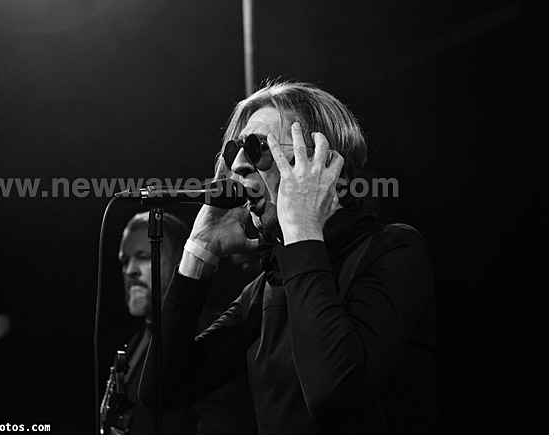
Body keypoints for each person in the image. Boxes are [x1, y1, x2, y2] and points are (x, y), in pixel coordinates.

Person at [139, 80, 441, 434]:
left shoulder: (393, 250)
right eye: (235, 150)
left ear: (318, 160)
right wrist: (199, 251)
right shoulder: (266, 289)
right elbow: (161, 389)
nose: (238, 165)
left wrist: (301, 227)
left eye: (256, 148)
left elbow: (333, 394)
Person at [109, 211, 257, 434]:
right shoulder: (137, 342)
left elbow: (223, 427)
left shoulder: (209, 332)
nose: (130, 270)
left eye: (143, 257)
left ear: (180, 259)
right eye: (125, 261)